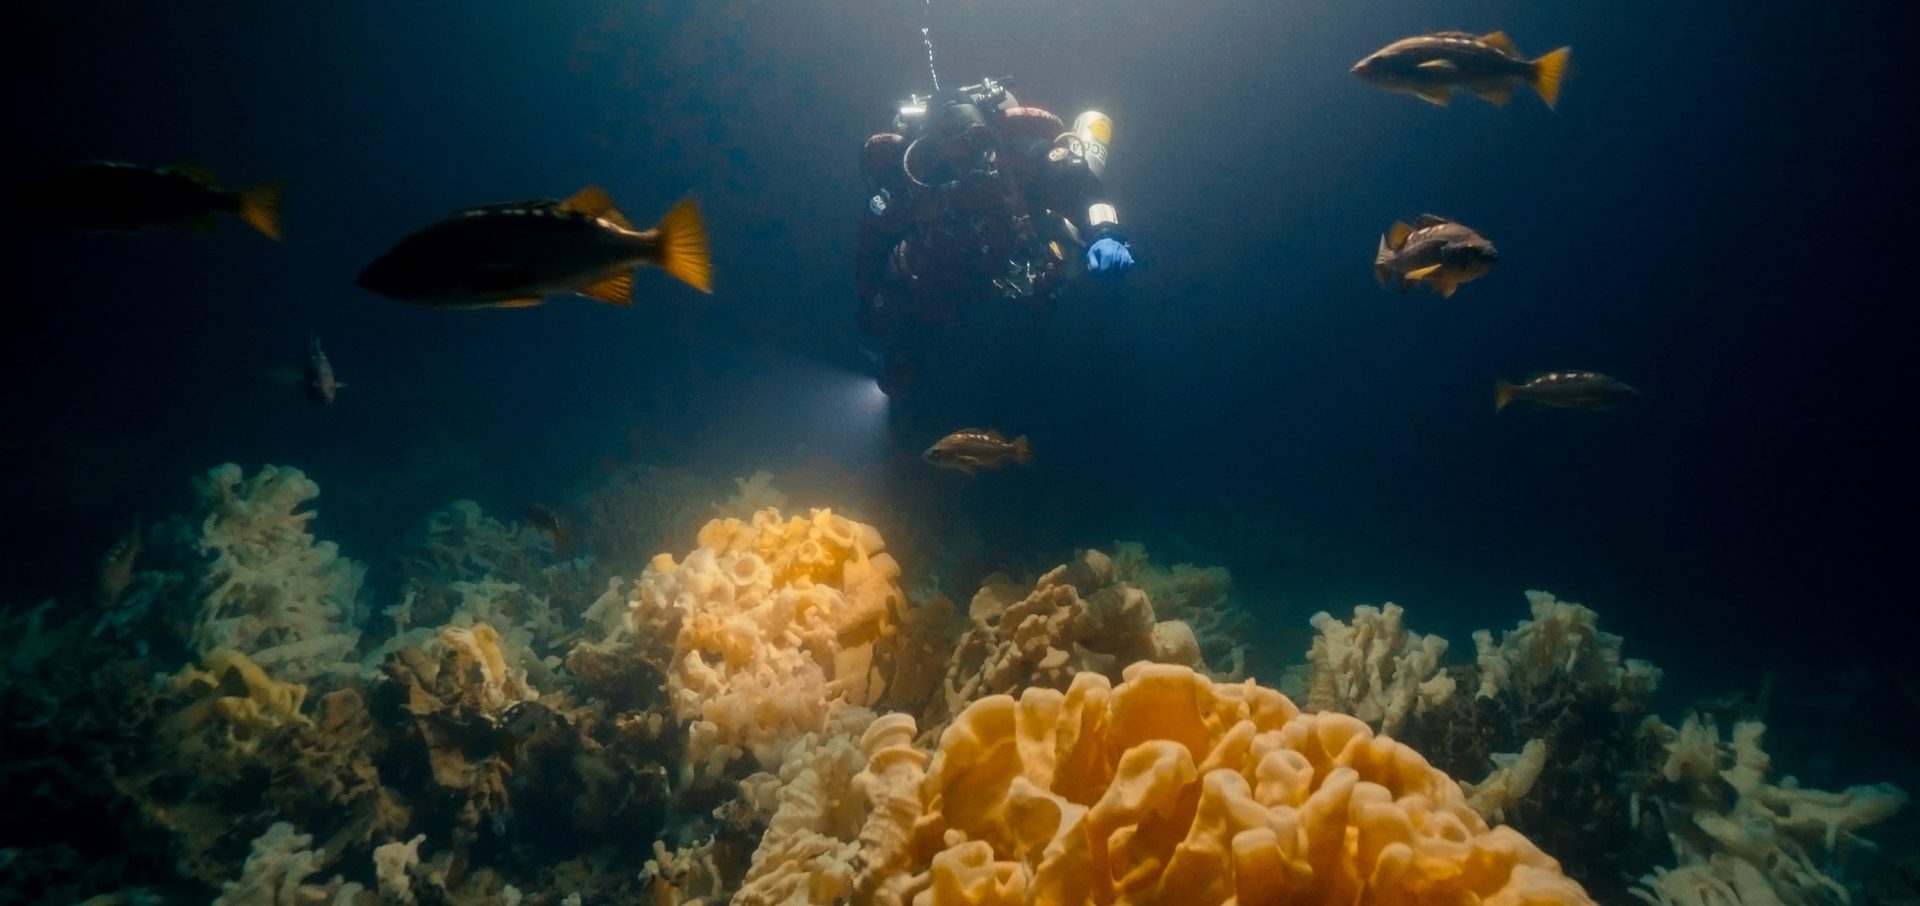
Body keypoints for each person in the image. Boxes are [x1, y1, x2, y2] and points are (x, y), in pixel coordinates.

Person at [855, 77, 1135, 397]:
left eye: (973, 142)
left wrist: (1105, 232)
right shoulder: (911, 187)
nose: (963, 159)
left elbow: (1080, 186)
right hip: (949, 278)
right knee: (915, 293)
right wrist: (874, 325)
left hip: (1021, 260)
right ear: (932, 149)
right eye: (950, 148)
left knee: (1069, 262)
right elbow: (871, 254)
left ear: (988, 135)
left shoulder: (1020, 157)